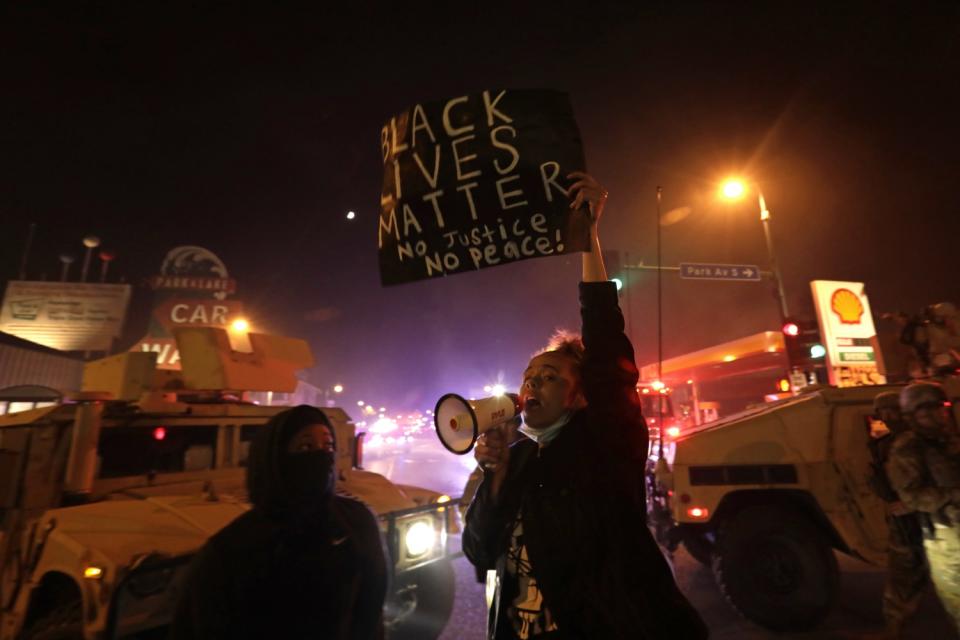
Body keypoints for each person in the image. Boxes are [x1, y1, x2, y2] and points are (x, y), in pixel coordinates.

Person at [462, 173, 708, 639]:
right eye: (529, 376)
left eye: (550, 377)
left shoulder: (605, 443)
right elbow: (478, 554)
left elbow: (606, 348)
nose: (532, 384)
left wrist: (587, 238)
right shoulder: (515, 460)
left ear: (580, 394)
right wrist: (492, 484)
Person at [170, 405, 388, 639]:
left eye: (328, 446)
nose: (320, 457)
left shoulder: (355, 522)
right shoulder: (231, 550)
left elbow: (371, 606)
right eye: (305, 447)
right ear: (275, 458)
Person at [886, 382, 960, 633]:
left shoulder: (947, 441)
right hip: (945, 537)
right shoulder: (908, 448)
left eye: (942, 407)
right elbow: (914, 496)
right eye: (928, 410)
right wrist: (953, 494)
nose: (940, 414)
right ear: (913, 416)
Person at [865, 391, 929, 638]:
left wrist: (910, 503)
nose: (888, 416)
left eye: (892, 410)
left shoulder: (923, 442)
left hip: (929, 517)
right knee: (901, 580)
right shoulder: (884, 445)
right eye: (883, 412)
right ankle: (894, 629)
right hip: (905, 523)